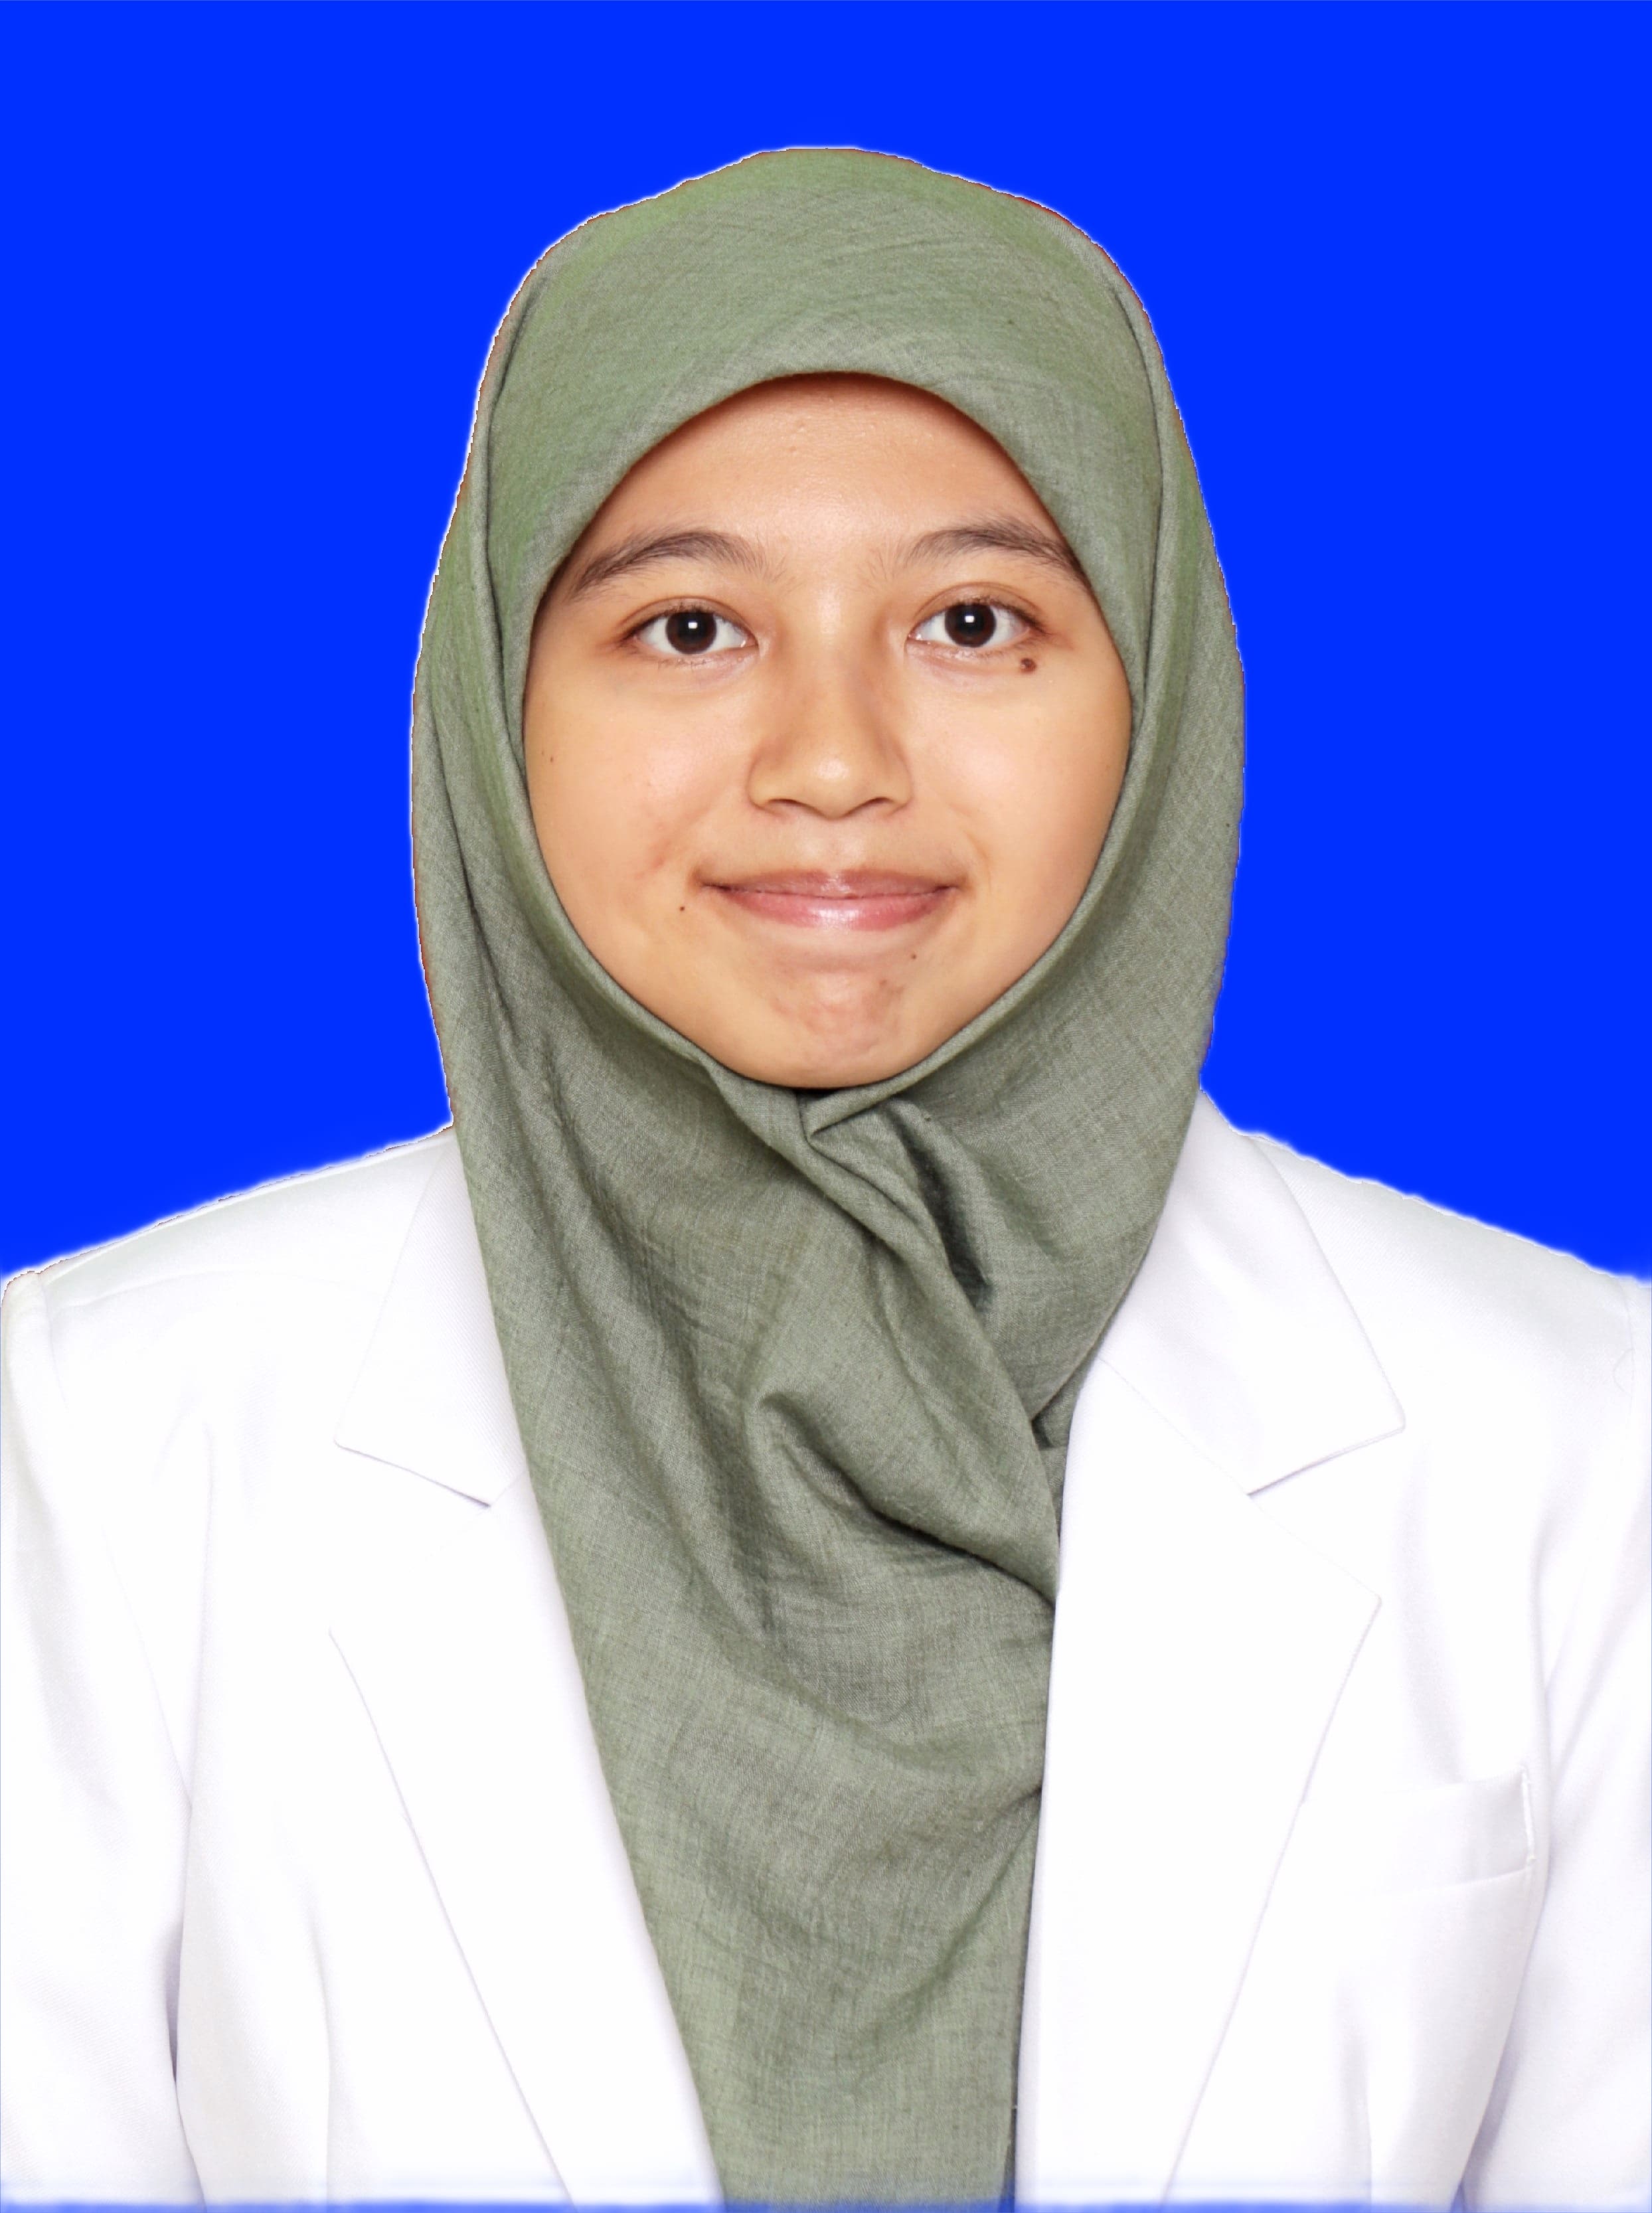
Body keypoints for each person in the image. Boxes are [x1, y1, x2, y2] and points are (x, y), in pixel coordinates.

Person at [1, 149, 1645, 2209]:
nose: (834, 760)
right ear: (500, 704)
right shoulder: (90, 1431)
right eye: (690, 628)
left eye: (973, 623)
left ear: (1156, 688)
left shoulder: (1577, 1431)